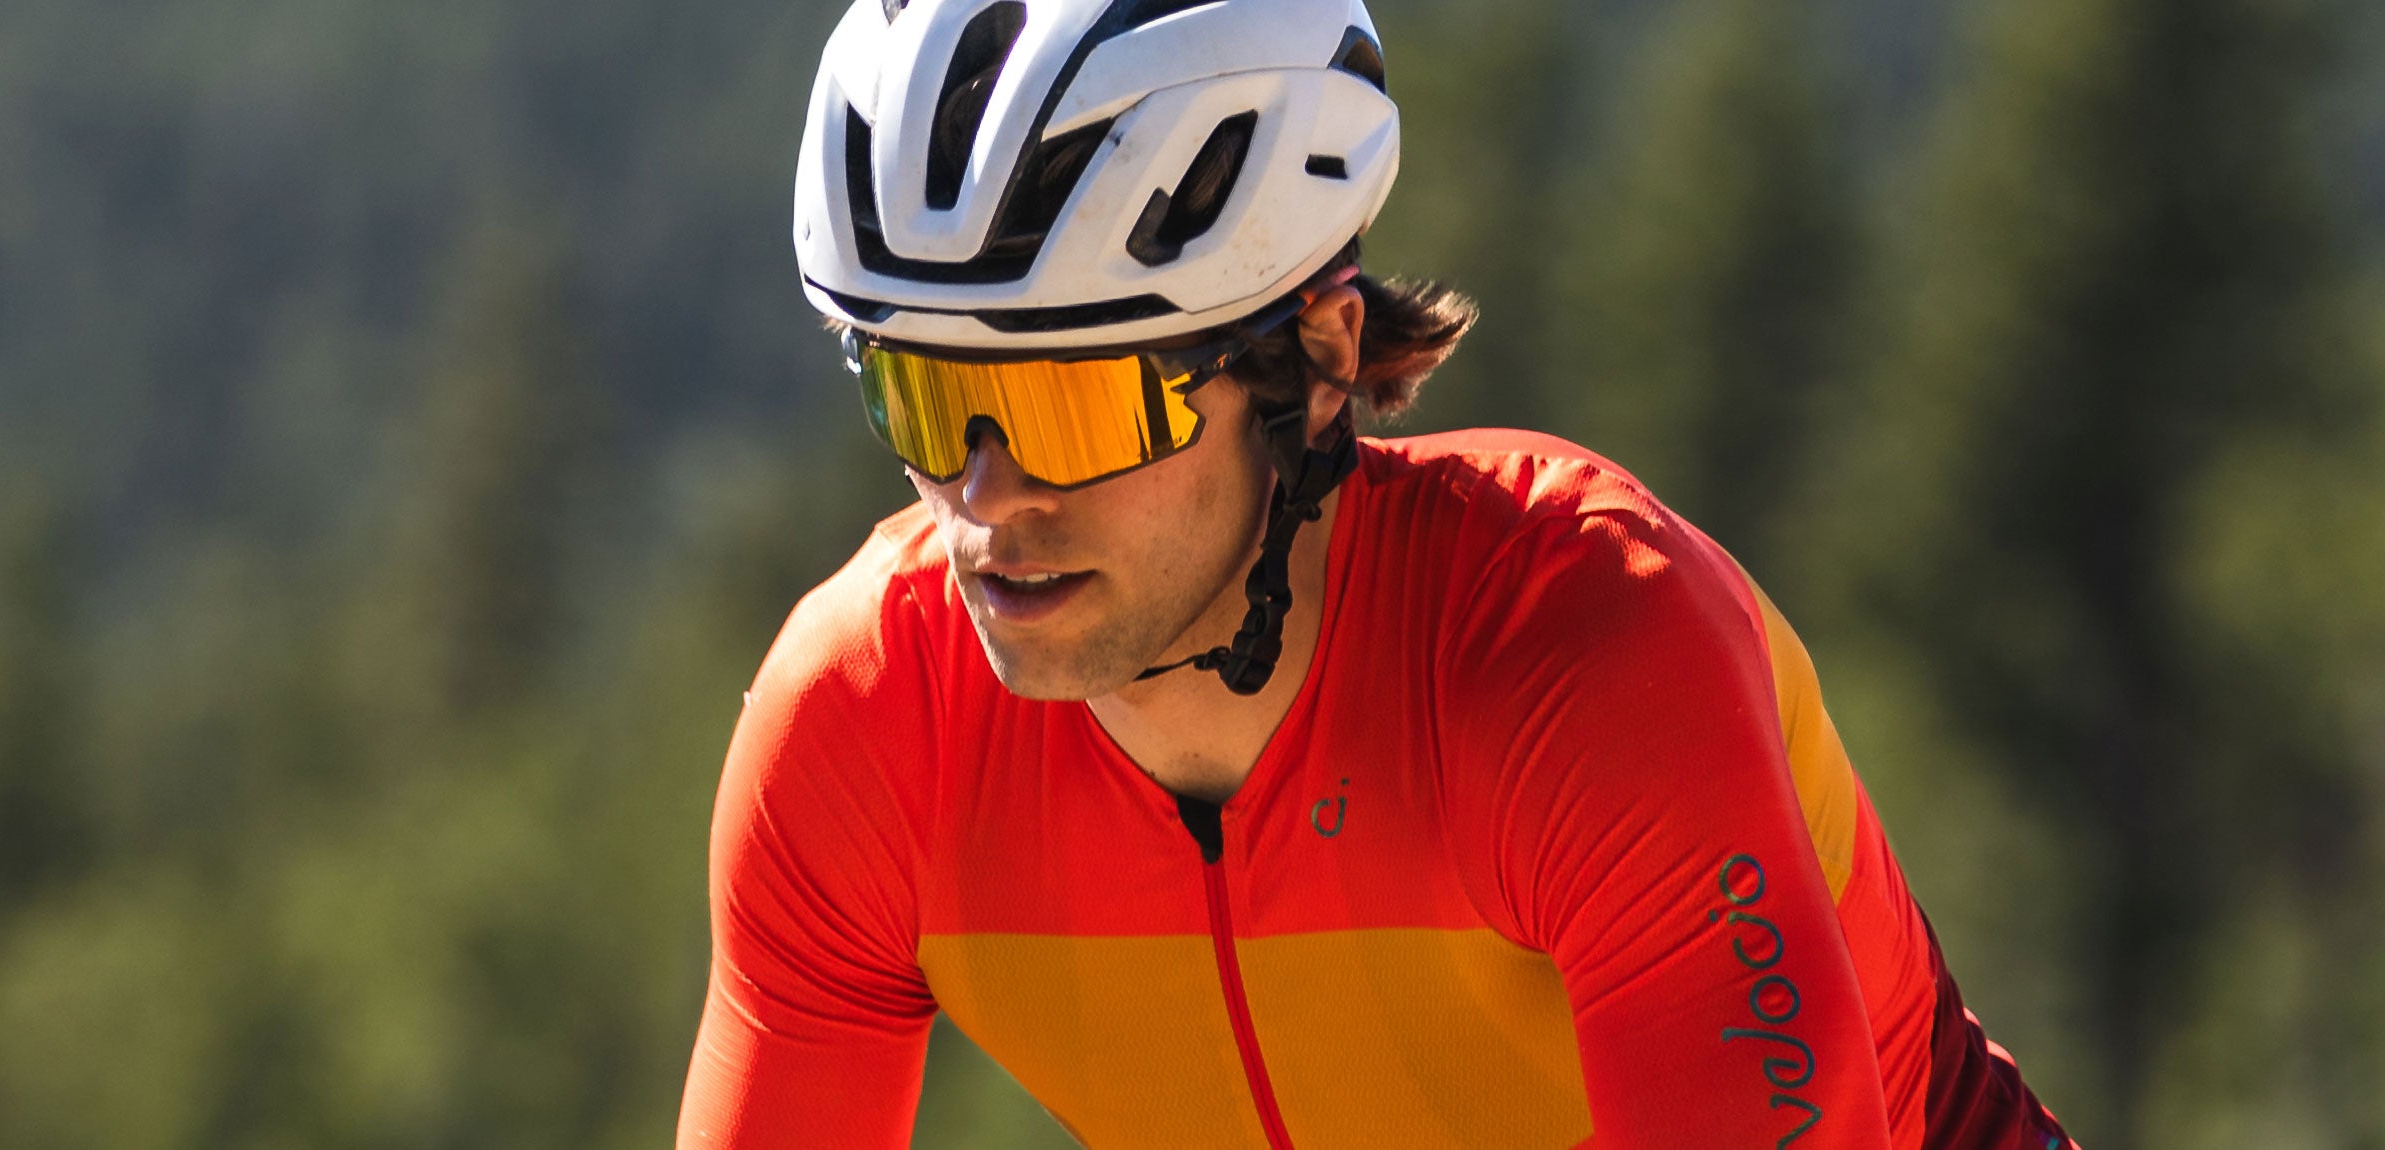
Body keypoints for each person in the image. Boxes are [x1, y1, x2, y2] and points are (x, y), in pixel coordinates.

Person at [681, 0, 2078, 1146]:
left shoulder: (1586, 652)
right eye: (922, 400)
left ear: (1321, 359)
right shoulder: (861, 724)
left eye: (1072, 410)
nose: (985, 499)